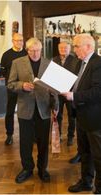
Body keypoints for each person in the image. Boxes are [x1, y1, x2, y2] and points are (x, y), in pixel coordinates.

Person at [7, 37, 58, 184]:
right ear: (27, 50)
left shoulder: (49, 64)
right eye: (32, 50)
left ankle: (43, 169)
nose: (35, 53)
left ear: (41, 50)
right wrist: (22, 85)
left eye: (38, 50)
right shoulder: (17, 63)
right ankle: (27, 169)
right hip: (25, 108)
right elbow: (10, 84)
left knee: (43, 142)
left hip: (44, 108)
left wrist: (56, 107)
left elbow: (54, 89)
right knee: (25, 141)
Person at [61, 33, 101, 194]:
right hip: (81, 115)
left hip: (95, 118)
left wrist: (74, 96)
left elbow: (98, 91)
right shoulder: (80, 63)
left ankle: (99, 187)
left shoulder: (98, 63)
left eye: (77, 46)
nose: (74, 49)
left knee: (98, 156)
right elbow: (75, 84)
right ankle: (86, 181)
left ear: (89, 47)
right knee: (84, 153)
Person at [0, 33, 27, 145]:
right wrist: (11, 80)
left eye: (21, 40)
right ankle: (9, 135)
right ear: (13, 41)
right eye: (17, 40)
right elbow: (3, 71)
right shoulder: (6, 54)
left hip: (25, 87)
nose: (19, 42)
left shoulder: (26, 53)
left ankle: (27, 134)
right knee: (10, 111)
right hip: (12, 87)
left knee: (26, 111)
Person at [52, 41, 79, 146]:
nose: (63, 50)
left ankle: (70, 136)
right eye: (61, 48)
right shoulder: (54, 60)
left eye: (65, 48)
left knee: (71, 115)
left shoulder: (76, 61)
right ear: (58, 49)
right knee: (57, 115)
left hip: (69, 92)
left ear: (70, 49)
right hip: (58, 93)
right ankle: (58, 136)